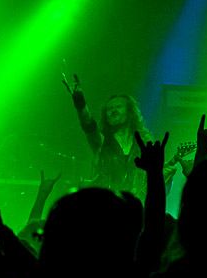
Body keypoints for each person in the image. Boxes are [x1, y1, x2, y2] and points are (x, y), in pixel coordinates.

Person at [66, 74, 169, 202]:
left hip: (137, 207)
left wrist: (165, 178)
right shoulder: (102, 140)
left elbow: (154, 188)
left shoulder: (145, 143)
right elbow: (88, 124)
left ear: (130, 112)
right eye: (109, 109)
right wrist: (80, 102)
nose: (113, 111)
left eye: (118, 107)